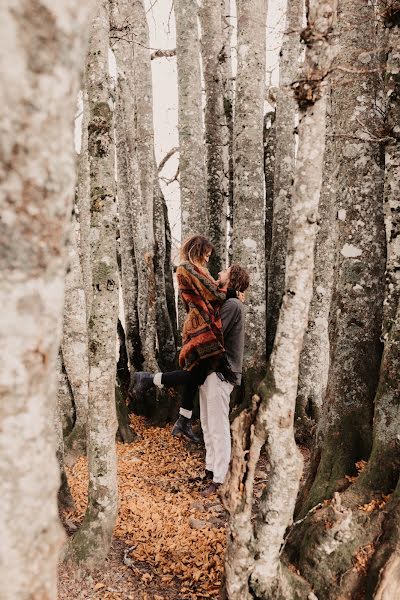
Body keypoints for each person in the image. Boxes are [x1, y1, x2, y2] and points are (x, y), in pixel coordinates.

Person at [134, 234, 230, 442]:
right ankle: (149, 379)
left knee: (196, 373)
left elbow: (212, 292)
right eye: (206, 254)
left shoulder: (197, 270)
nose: (207, 259)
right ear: (198, 250)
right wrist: (229, 289)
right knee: (196, 374)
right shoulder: (187, 268)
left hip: (203, 324)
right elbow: (215, 294)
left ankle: (183, 420)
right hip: (200, 326)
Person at [199, 265, 249, 497]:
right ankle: (211, 469)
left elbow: (213, 333)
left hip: (221, 373)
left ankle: (221, 478)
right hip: (210, 372)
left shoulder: (232, 306)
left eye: (225, 271)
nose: (219, 272)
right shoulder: (227, 303)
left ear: (232, 280)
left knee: (218, 427)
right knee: (208, 423)